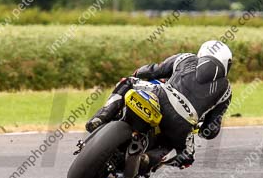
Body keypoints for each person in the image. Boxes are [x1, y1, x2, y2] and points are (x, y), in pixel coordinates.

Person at [85, 40, 233, 170]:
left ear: (202, 51)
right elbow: (211, 129)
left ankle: (102, 116)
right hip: (183, 123)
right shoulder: (226, 90)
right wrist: (201, 129)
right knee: (187, 157)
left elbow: (154, 70)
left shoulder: (186, 57)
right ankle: (148, 159)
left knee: (127, 82)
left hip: (161, 96)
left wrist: (137, 73)